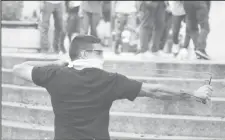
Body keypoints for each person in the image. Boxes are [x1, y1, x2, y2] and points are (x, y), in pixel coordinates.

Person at [13, 34, 212, 140]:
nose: (103, 57)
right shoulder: (110, 80)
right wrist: (194, 94)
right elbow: (155, 90)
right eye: (98, 53)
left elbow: (19, 68)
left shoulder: (54, 75)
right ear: (84, 54)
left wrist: (55, 62)